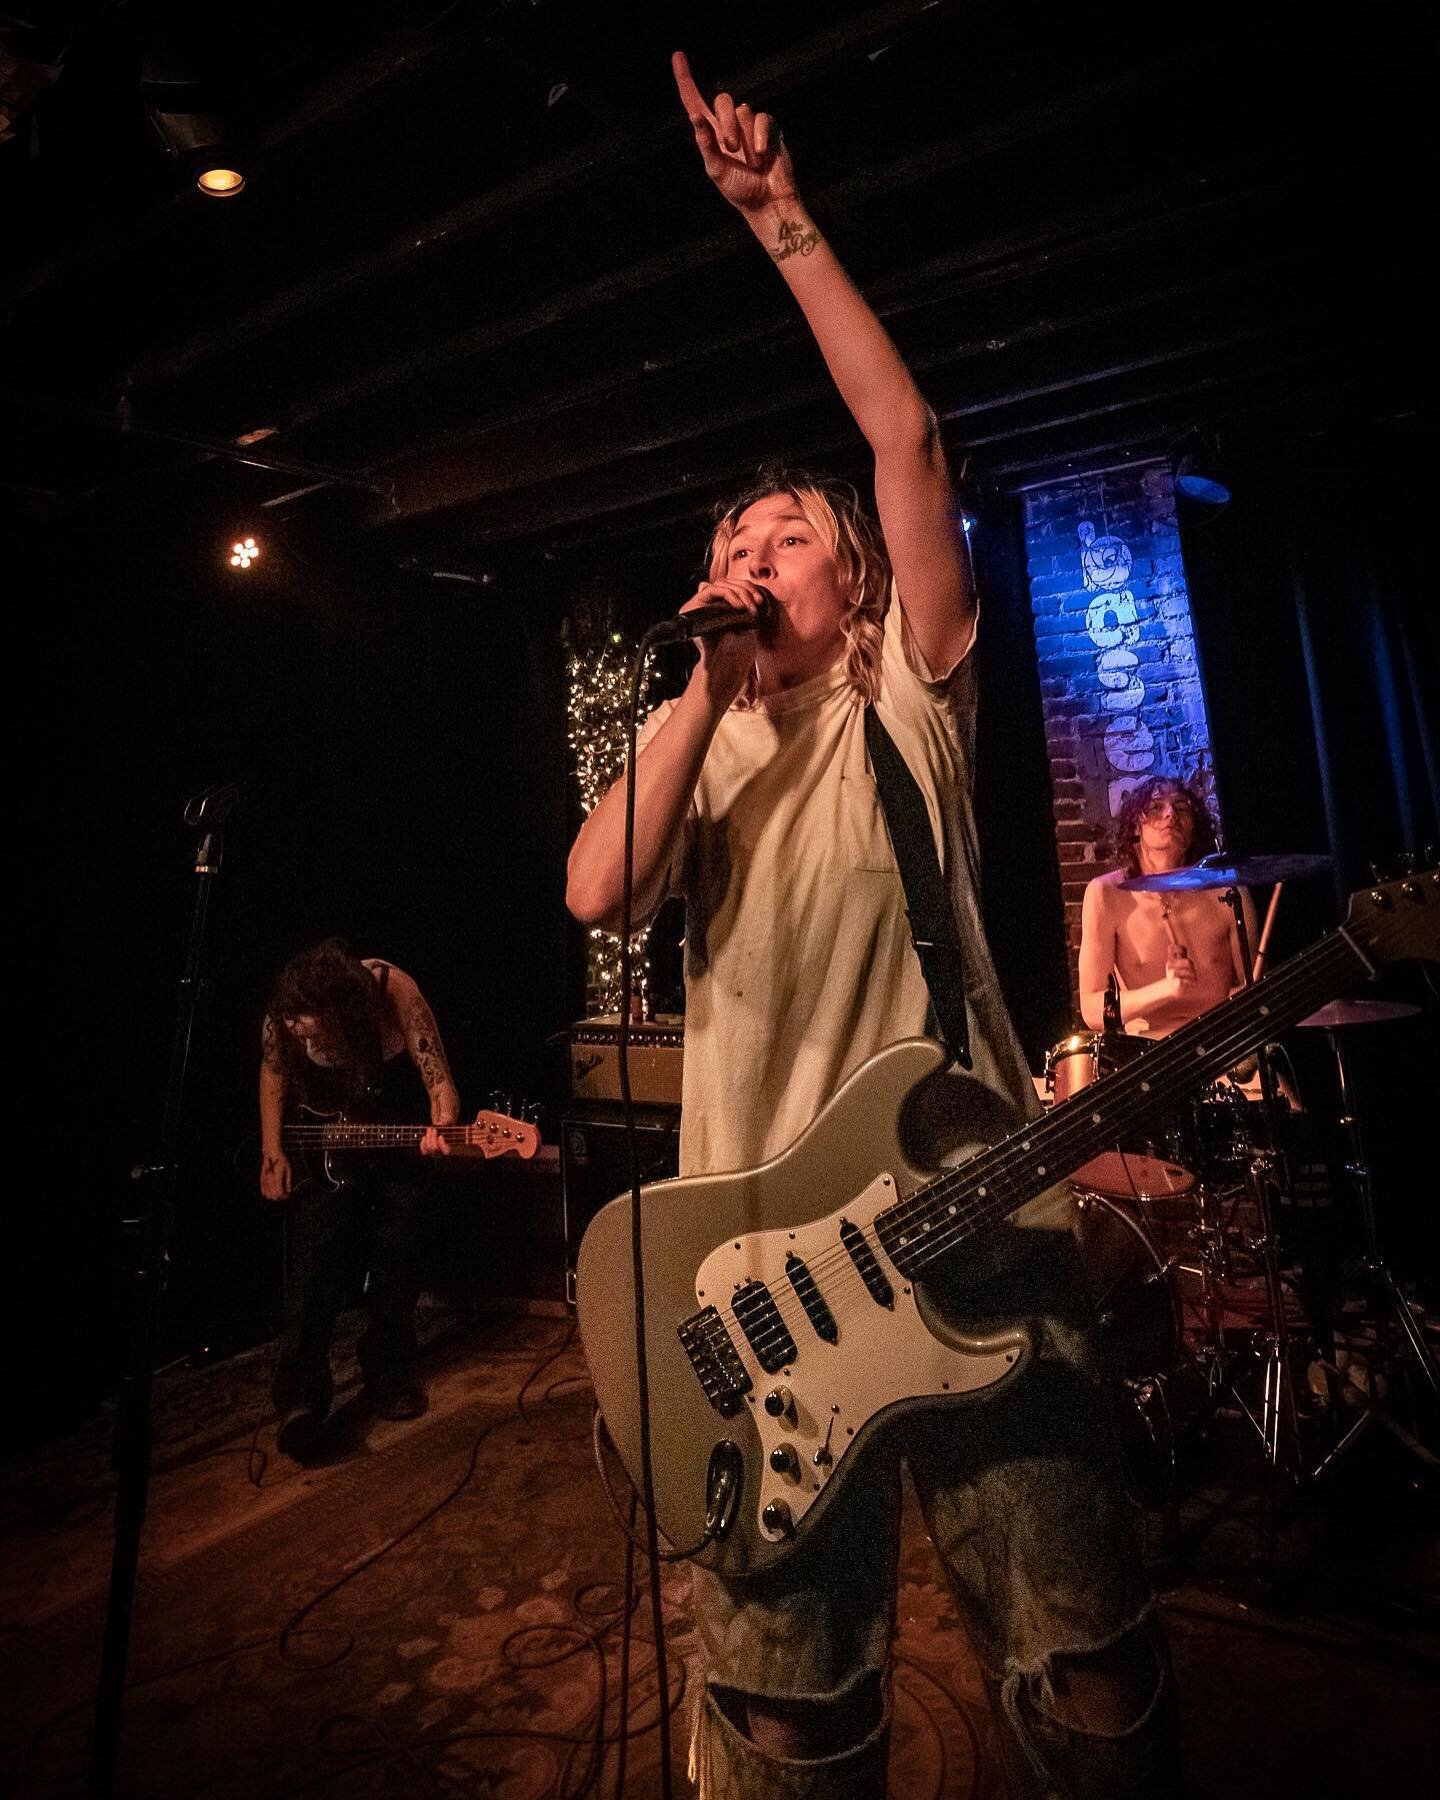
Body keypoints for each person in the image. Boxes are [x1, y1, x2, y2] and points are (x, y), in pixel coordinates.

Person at [566, 54, 1181, 1800]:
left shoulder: (904, 711)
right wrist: (702, 671)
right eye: (738, 533)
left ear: (857, 588)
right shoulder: (700, 754)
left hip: (979, 1223)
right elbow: (598, 888)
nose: (763, 546)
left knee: (1087, 1679)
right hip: (768, 1293)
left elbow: (906, 439)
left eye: (795, 533)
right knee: (786, 1724)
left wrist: (782, 223)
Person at [259, 939, 459, 1456]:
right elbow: (274, 1071)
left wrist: (442, 1127)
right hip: (328, 1140)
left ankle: (390, 1373)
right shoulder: (285, 1014)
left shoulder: (394, 992)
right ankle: (300, 1399)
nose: (300, 1031)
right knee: (314, 1258)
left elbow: (438, 1082)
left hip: (392, 1122)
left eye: (312, 1024)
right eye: (294, 1022)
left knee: (398, 1254)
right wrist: (273, 1149)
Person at [1079, 774, 1257, 1039]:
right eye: (1156, 806)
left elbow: (1253, 987)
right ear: (1135, 825)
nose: (1171, 813)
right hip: (1149, 1051)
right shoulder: (1105, 894)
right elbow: (1092, 1009)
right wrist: (1166, 989)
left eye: (1181, 807)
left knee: (1278, 1082)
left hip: (1220, 1044)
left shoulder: (1229, 892)